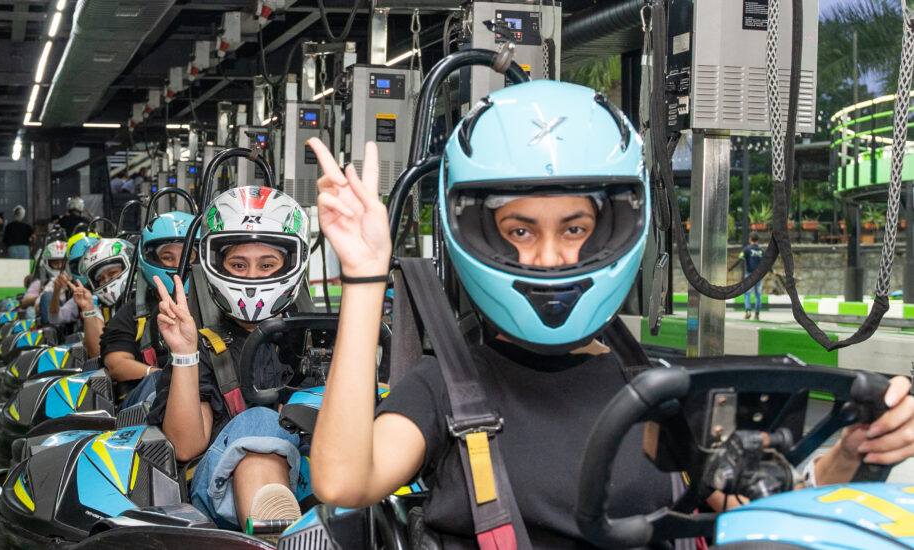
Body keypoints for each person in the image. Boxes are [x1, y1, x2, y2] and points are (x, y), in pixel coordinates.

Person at [306, 81, 914, 549]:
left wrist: (853, 454)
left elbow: (756, 519)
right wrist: (364, 275)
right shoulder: (446, 388)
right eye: (520, 230)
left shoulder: (672, 389)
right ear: (479, 232)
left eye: (575, 228)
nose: (550, 257)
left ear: (612, 230)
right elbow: (343, 481)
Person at [146, 187, 313, 530]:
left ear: (291, 265)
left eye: (267, 265)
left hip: (318, 479)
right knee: (262, 422)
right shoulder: (205, 346)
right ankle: (272, 529)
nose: (252, 276)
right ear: (217, 265)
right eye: (239, 264)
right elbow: (185, 446)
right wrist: (184, 354)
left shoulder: (313, 340)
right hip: (217, 492)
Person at [99, 211, 196, 405]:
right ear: (152, 259)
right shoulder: (133, 311)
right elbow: (116, 364)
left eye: (188, 255)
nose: (179, 264)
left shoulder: (217, 307)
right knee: (160, 383)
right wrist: (168, 375)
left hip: (202, 394)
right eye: (168, 257)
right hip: (147, 396)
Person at [71, 237, 136, 358]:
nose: (106, 280)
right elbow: (96, 352)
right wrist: (87, 309)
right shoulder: (100, 308)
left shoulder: (145, 297)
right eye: (100, 279)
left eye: (112, 273)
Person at [740, 232, 765, 320]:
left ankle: (748, 311)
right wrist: (772, 271)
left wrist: (730, 269)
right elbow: (767, 262)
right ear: (757, 240)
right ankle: (757, 314)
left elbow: (740, 259)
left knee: (747, 293)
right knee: (758, 295)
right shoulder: (762, 250)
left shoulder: (746, 249)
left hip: (749, 274)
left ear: (750, 239)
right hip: (758, 275)